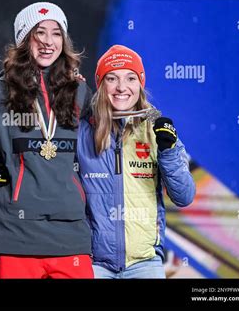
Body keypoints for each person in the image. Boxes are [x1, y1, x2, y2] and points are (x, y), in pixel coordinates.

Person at [0, 2, 94, 279]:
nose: (48, 42)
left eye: (56, 33)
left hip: (70, 232)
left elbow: (101, 148)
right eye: (39, 33)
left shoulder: (80, 91)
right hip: (13, 232)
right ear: (24, 40)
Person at [77, 45, 196, 278]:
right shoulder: (82, 131)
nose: (122, 87)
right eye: (112, 78)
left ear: (140, 84)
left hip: (145, 263)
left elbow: (184, 197)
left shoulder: (157, 128)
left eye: (130, 78)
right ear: (101, 84)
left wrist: (168, 151)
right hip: (94, 263)